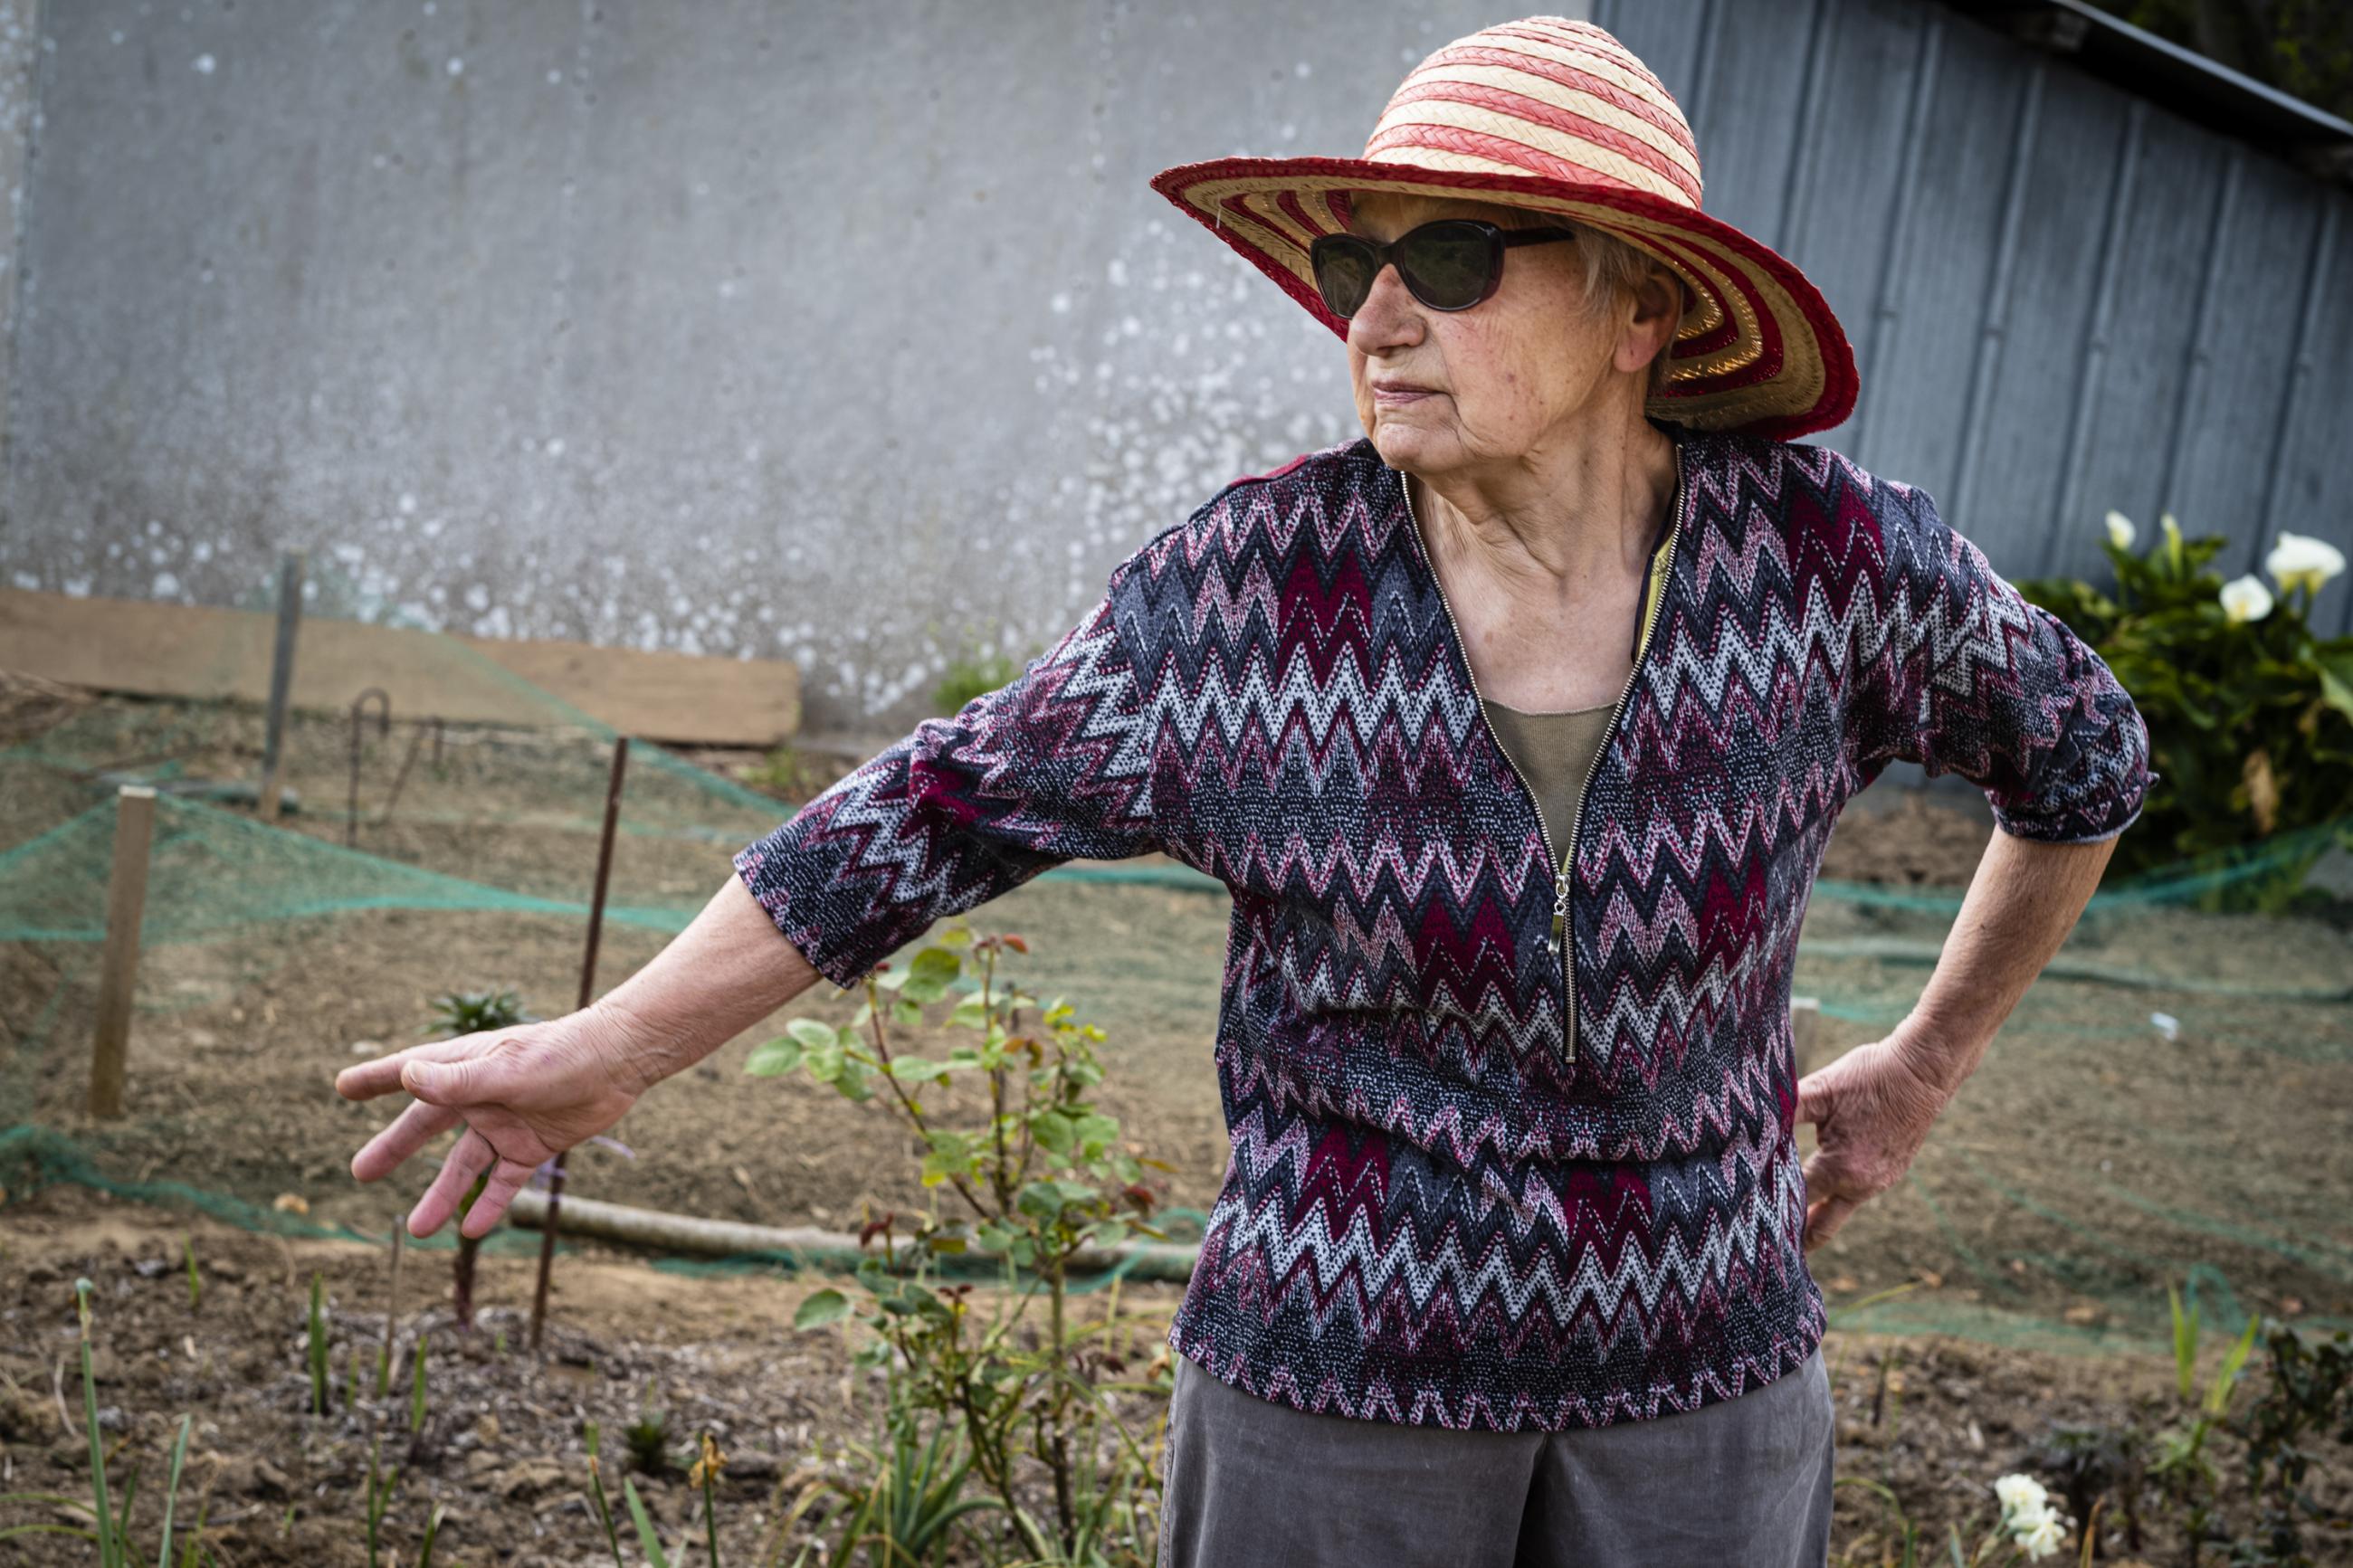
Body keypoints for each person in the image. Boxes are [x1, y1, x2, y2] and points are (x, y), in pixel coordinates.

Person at [336, 16, 2156, 1566]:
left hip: (1707, 1395)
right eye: (1359, 268)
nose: (1380, 313)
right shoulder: (1251, 596)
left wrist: (1922, 1068)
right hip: (1333, 1391)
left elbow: (2084, 759)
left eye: (1455, 259)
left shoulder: (1832, 566)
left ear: (1640, 309)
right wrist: (612, 1051)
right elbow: (925, 815)